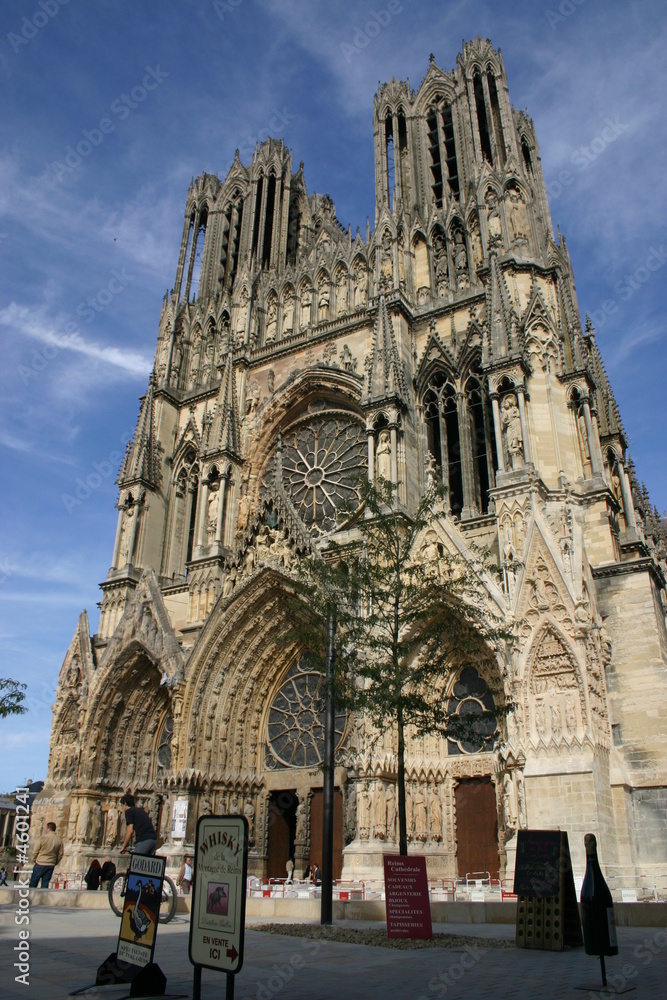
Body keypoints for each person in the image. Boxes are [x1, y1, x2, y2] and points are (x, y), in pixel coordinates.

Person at [29, 821, 64, 888]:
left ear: (48, 829)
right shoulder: (59, 840)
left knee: (33, 883)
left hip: (40, 863)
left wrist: (34, 860)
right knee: (45, 884)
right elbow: (61, 854)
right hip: (51, 864)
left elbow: (35, 851)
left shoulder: (42, 838)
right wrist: (55, 861)